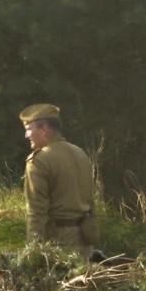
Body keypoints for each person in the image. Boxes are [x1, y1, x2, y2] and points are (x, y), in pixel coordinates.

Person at [20, 103, 95, 259]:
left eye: (29, 129)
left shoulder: (39, 161)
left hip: (59, 244)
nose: (26, 135)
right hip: (85, 240)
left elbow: (36, 212)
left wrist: (31, 254)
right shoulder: (80, 153)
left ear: (45, 129)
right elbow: (90, 202)